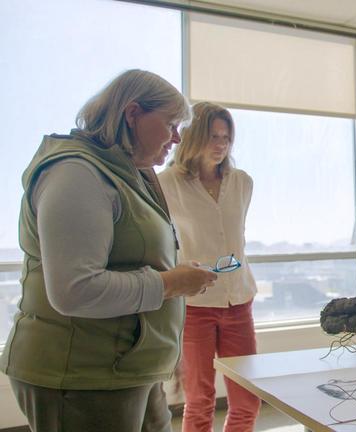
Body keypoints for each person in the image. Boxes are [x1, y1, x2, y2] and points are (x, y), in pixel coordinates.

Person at [0, 70, 217, 432]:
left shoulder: (131, 173)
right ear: (132, 114)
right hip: (82, 376)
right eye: (171, 124)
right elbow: (76, 291)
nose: (178, 138)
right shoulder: (76, 173)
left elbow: (131, 258)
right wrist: (170, 284)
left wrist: (173, 281)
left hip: (128, 368)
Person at [158, 102, 260, 432]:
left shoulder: (243, 182)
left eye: (226, 137)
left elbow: (235, 239)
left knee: (248, 399)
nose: (221, 144)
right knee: (199, 399)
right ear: (192, 137)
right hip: (194, 306)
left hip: (238, 301)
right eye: (213, 136)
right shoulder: (166, 183)